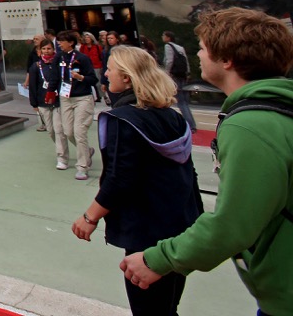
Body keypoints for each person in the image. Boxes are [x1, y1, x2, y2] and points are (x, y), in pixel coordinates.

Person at [121, 8, 293, 316]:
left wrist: (157, 259)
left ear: (226, 60)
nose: (198, 54)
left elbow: (232, 225)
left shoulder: (250, 126)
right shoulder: (279, 109)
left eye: (202, 48)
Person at [72, 46, 202, 315]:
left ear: (127, 78)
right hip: (178, 228)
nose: (105, 74)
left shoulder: (125, 120)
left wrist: (89, 217)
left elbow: (120, 178)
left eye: (110, 68)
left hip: (145, 233)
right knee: (168, 304)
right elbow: (189, 174)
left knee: (148, 309)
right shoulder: (173, 118)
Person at [57, 30, 97, 180]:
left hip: (82, 98)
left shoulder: (82, 58)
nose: (59, 43)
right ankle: (87, 151)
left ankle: (82, 167)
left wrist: (80, 77)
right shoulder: (59, 57)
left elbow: (93, 79)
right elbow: (55, 76)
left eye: (62, 41)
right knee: (68, 131)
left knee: (79, 132)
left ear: (71, 42)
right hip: (65, 97)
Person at [28, 38, 67, 167]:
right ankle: (64, 149)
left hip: (57, 101)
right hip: (43, 101)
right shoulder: (36, 66)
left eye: (49, 48)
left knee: (58, 129)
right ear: (39, 51)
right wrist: (34, 103)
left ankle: (61, 157)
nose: (46, 51)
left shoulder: (59, 63)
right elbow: (33, 85)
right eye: (43, 49)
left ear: (53, 49)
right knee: (51, 130)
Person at [161, 31, 196, 130]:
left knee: (174, 100)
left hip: (174, 76)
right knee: (184, 101)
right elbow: (186, 62)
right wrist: (187, 73)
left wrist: (166, 73)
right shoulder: (180, 48)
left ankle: (187, 125)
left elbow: (169, 60)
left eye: (163, 36)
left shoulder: (168, 46)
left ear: (168, 38)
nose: (162, 37)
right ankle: (191, 124)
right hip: (182, 76)